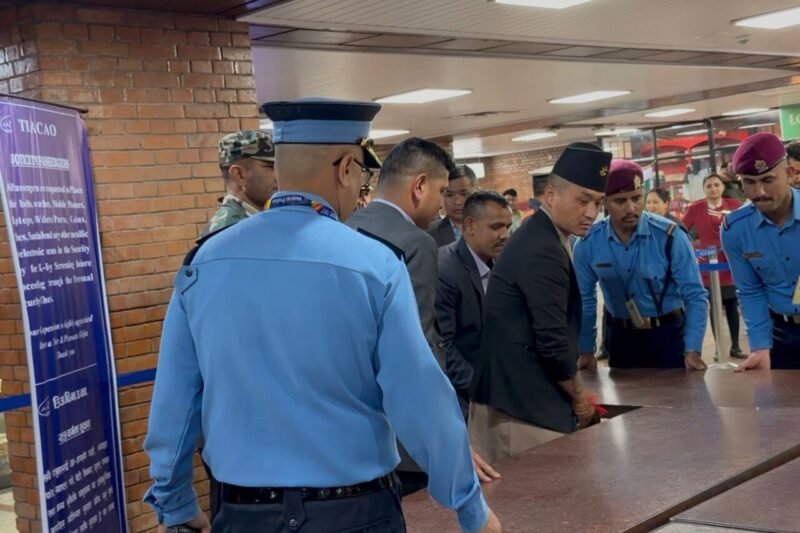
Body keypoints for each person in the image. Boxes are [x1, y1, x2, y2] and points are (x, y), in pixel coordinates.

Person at [143, 97, 501, 533]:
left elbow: (177, 399)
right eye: (362, 174)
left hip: (243, 512)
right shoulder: (375, 264)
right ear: (346, 169)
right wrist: (469, 506)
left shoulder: (204, 262)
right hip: (354, 511)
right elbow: (418, 394)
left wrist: (175, 502)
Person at [469, 142, 609, 464]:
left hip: (522, 403)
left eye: (597, 203)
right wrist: (580, 399)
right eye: (582, 200)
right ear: (550, 195)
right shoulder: (543, 248)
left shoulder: (543, 236)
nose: (591, 212)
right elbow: (551, 341)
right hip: (521, 411)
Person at [345, 137, 454, 494]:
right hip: (403, 438)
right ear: (420, 185)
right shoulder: (415, 242)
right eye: (441, 191)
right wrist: (444, 434)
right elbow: (417, 346)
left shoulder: (342, 228)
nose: (441, 205)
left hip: (351, 425)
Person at [574, 160, 708, 370]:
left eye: (636, 198)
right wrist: (586, 350)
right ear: (604, 202)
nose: (630, 208)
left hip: (668, 336)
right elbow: (585, 300)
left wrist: (693, 349)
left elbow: (695, 295)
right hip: (620, 339)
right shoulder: (588, 243)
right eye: (620, 201)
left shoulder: (670, 237)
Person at [721, 132, 800, 371]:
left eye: (767, 180)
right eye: (749, 182)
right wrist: (759, 347)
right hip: (782, 334)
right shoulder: (735, 229)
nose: (759, 192)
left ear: (789, 173)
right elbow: (750, 290)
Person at [437, 191, 512, 417]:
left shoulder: (501, 264)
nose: (505, 235)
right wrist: (483, 391)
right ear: (470, 226)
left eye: (508, 227)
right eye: (496, 227)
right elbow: (443, 347)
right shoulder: (445, 270)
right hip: (462, 399)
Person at [682, 174, 744, 359]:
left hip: (729, 261)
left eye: (717, 185)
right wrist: (694, 246)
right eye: (709, 186)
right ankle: (719, 348)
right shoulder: (696, 208)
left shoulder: (734, 205)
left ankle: (735, 346)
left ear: (723, 187)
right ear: (704, 189)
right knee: (714, 306)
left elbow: (743, 228)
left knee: (731, 304)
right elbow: (682, 229)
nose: (713, 189)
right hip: (708, 263)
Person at [199, 130, 277, 238]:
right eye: (271, 167)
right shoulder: (229, 231)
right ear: (239, 175)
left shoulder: (251, 221)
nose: (279, 175)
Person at [429, 165, 478, 247]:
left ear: (477, 193)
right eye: (449, 195)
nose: (457, 202)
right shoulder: (430, 234)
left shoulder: (492, 228)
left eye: (464, 194)